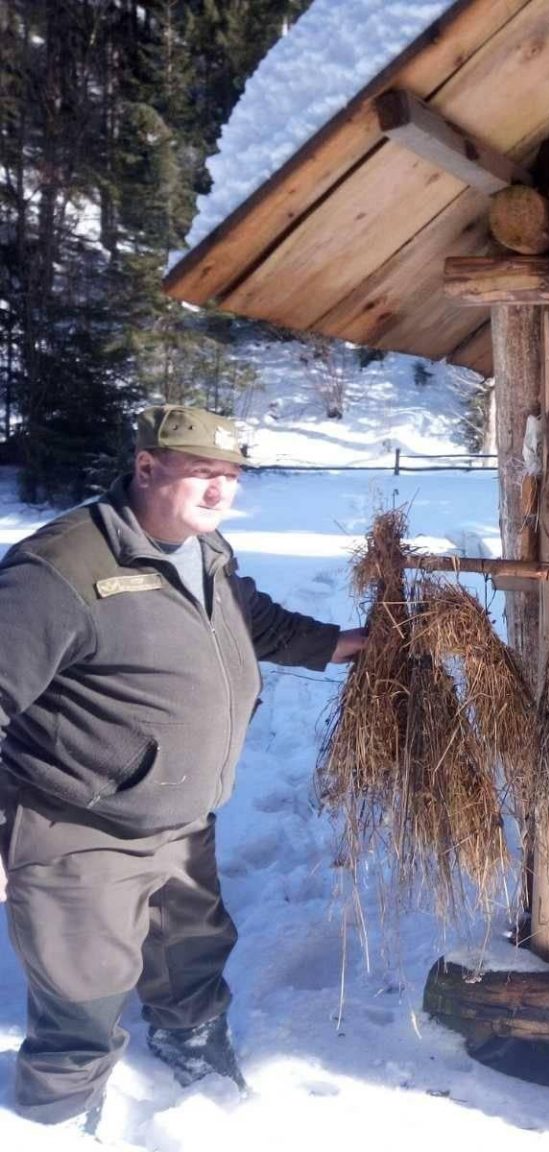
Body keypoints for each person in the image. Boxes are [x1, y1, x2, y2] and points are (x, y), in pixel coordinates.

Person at [0, 405, 366, 1131]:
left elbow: (258, 623)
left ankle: (195, 1046)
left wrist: (348, 644)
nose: (220, 490)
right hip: (78, 821)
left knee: (192, 952)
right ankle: (58, 1111)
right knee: (83, 988)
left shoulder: (207, 551)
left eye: (230, 476)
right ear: (146, 468)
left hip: (181, 817)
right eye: (203, 473)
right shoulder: (60, 568)